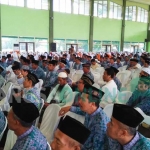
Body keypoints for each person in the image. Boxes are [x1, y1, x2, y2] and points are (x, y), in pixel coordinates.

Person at [59, 85, 110, 150]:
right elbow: (81, 111)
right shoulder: (90, 111)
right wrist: (69, 108)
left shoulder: (100, 124)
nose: (79, 101)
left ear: (92, 104)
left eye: (82, 99)